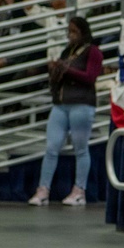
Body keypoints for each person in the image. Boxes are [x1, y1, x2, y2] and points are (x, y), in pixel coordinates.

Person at [27, 16, 102, 206]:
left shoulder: (93, 52)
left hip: (82, 104)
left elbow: (90, 77)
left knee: (81, 149)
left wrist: (65, 69)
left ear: (83, 32)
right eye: (69, 31)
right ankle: (43, 189)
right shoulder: (67, 51)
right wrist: (54, 70)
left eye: (74, 31)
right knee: (51, 148)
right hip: (61, 103)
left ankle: (80, 190)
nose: (70, 35)